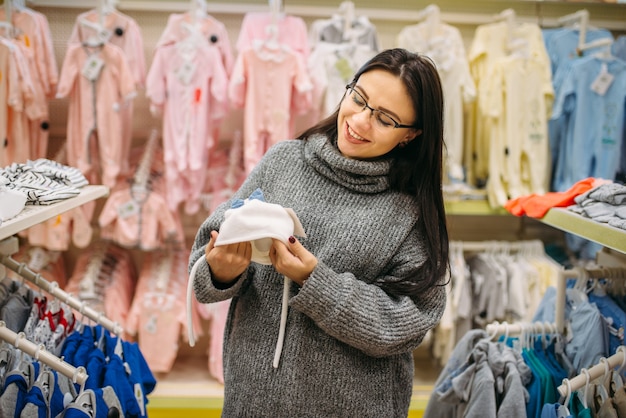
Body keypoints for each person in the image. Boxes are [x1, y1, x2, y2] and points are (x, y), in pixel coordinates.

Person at [189, 48, 449, 417]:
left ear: (411, 135)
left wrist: (314, 281)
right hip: (251, 403)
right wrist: (221, 271)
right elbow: (201, 269)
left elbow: (407, 324)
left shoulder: (410, 211)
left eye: (386, 119)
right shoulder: (283, 162)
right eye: (358, 98)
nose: (359, 121)